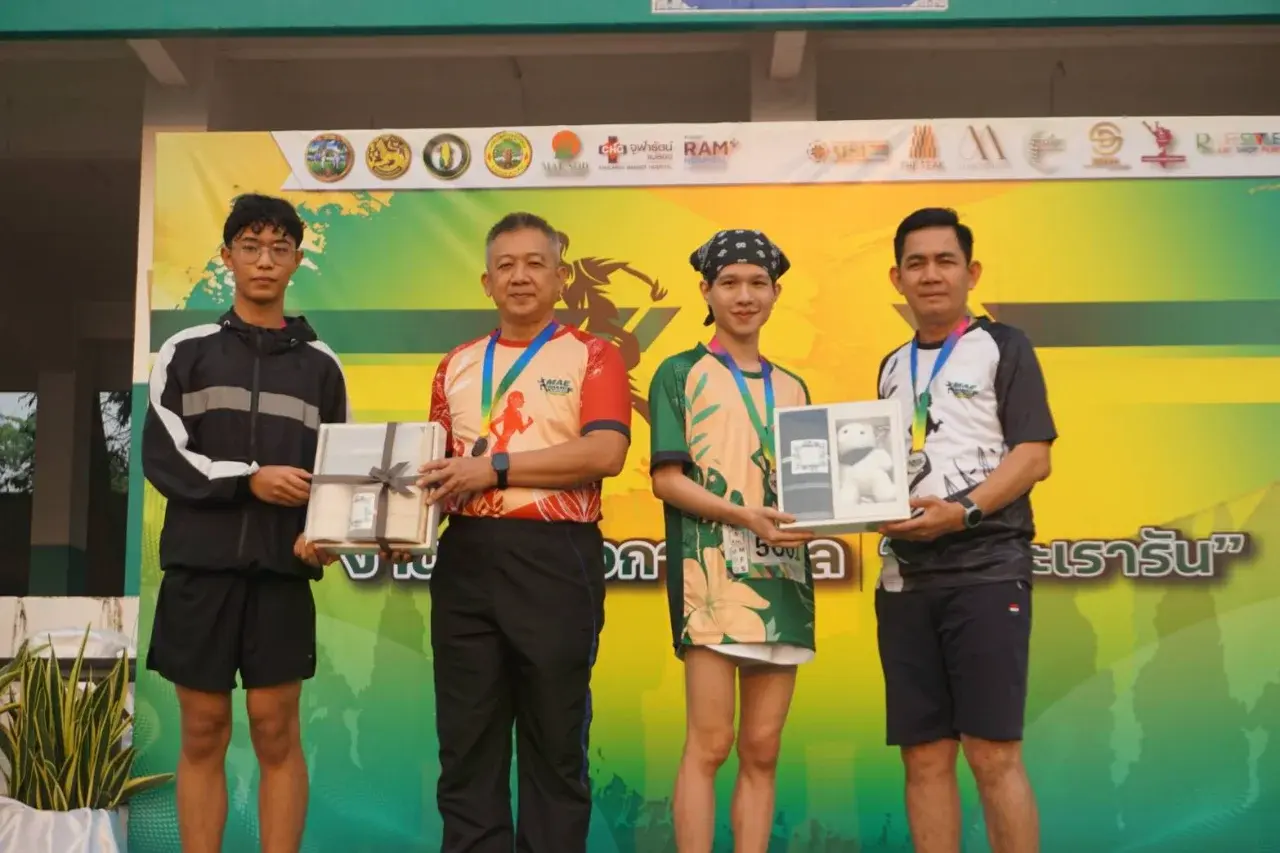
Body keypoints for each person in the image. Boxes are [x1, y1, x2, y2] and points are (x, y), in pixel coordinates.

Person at [414, 212, 631, 853]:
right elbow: (436, 467)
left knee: (555, 745)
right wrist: (390, 525)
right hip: (466, 559)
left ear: (561, 279)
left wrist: (496, 467)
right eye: (505, 265)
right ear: (486, 283)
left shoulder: (595, 355)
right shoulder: (455, 364)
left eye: (535, 263)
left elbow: (606, 453)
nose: (520, 276)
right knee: (467, 745)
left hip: (555, 559)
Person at [142, 193, 349, 853]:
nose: (265, 260)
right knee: (203, 729)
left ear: (296, 260)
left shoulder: (323, 366)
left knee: (275, 728)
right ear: (227, 256)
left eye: (279, 248)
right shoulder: (186, 350)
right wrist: (248, 478)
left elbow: (337, 470)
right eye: (251, 247)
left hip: (281, 572)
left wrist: (327, 533)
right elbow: (163, 455)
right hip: (199, 572)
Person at [873, 207, 1056, 853]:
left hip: (986, 570)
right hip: (904, 579)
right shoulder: (890, 365)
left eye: (945, 261)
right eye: (916, 263)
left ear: (971, 272)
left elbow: (1033, 456)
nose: (931, 274)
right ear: (896, 277)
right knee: (923, 758)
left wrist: (965, 511)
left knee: (991, 753)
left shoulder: (1006, 345)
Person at [647, 230, 816, 853]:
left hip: (784, 576)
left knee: (763, 749)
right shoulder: (679, 373)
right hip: (710, 577)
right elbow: (667, 480)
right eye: (730, 283)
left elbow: (808, 487)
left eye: (757, 283)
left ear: (775, 293)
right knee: (711, 743)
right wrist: (745, 516)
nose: (744, 296)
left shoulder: (795, 387)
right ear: (706, 291)